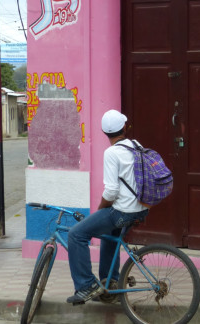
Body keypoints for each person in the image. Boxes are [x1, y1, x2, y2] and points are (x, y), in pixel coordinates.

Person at [66, 109, 148, 304]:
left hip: (122, 211)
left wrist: (101, 208)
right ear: (125, 128)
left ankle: (86, 286)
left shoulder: (111, 153)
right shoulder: (136, 145)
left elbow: (111, 192)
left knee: (76, 235)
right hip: (140, 208)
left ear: (104, 132)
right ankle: (110, 284)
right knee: (109, 237)